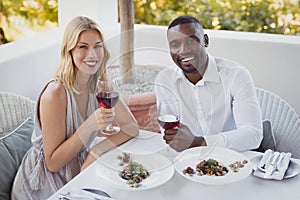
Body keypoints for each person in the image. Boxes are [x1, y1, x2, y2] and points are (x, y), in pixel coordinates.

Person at [11, 16, 139, 199]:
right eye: (83, 47)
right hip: (43, 183)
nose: (92, 54)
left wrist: (95, 151)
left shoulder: (101, 86)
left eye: (98, 46)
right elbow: (52, 163)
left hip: (81, 168)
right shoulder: (56, 93)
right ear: (69, 51)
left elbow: (131, 128)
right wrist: (90, 125)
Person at [154, 16, 262, 153]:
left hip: (232, 157)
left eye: (191, 41)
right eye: (175, 45)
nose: (183, 50)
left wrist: (199, 142)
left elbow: (253, 135)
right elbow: (171, 134)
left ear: (205, 40)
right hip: (188, 159)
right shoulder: (165, 80)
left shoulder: (236, 75)